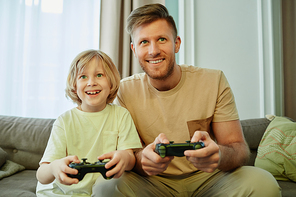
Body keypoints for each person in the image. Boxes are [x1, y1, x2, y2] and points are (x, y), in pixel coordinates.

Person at [93, 3, 282, 197]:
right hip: (151, 183)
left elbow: (239, 149)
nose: (153, 50)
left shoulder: (213, 81)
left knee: (264, 183)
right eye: (144, 42)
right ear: (134, 49)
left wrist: (218, 155)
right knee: (104, 187)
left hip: (210, 179)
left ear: (177, 43)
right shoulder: (124, 91)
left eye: (161, 39)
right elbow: (128, 155)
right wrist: (143, 160)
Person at [36, 49, 142, 196]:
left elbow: (130, 159)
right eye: (83, 77)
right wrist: (54, 167)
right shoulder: (64, 121)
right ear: (74, 85)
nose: (91, 82)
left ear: (111, 82)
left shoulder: (121, 115)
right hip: (63, 192)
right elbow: (41, 175)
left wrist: (125, 158)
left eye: (99, 75)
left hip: (103, 191)